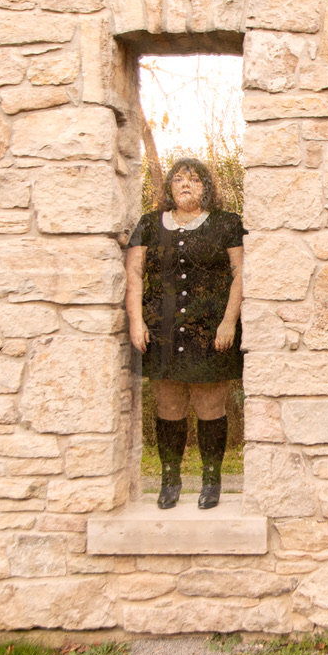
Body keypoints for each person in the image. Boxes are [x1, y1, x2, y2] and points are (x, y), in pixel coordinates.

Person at [125, 157, 245, 510]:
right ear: (169, 188)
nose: (185, 184)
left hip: (211, 328)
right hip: (161, 330)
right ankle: (170, 479)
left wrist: (229, 321)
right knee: (168, 405)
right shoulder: (148, 224)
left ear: (207, 187)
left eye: (193, 179)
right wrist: (136, 321)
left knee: (210, 404)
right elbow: (133, 273)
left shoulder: (226, 224)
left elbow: (240, 273)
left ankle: (211, 480)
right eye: (178, 179)